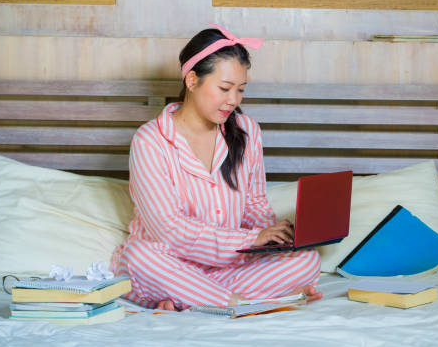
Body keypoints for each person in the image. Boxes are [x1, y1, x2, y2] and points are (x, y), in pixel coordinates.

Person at [112, 24, 322, 311]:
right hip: (168, 264)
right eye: (224, 88)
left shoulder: (246, 131)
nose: (233, 100)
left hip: (226, 268)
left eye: (241, 90)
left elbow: (254, 204)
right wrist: (250, 238)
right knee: (140, 258)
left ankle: (192, 298)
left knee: (307, 261)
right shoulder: (150, 141)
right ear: (192, 80)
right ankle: (242, 304)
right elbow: (168, 231)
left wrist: (272, 236)